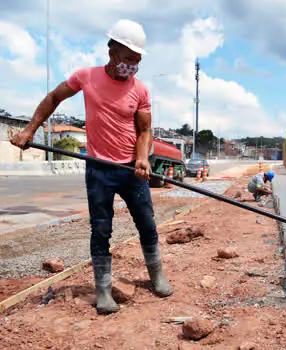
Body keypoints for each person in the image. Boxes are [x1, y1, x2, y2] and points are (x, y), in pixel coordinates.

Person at [10, 19, 172, 315]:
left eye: (137, 61)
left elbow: (145, 130)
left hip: (130, 171)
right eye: (128, 59)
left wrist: (142, 157)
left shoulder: (140, 90)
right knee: (101, 230)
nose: (132, 66)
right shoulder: (86, 77)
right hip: (98, 170)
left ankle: (157, 274)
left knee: (147, 224)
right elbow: (53, 98)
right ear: (113, 52)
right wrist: (29, 131)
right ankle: (103, 290)